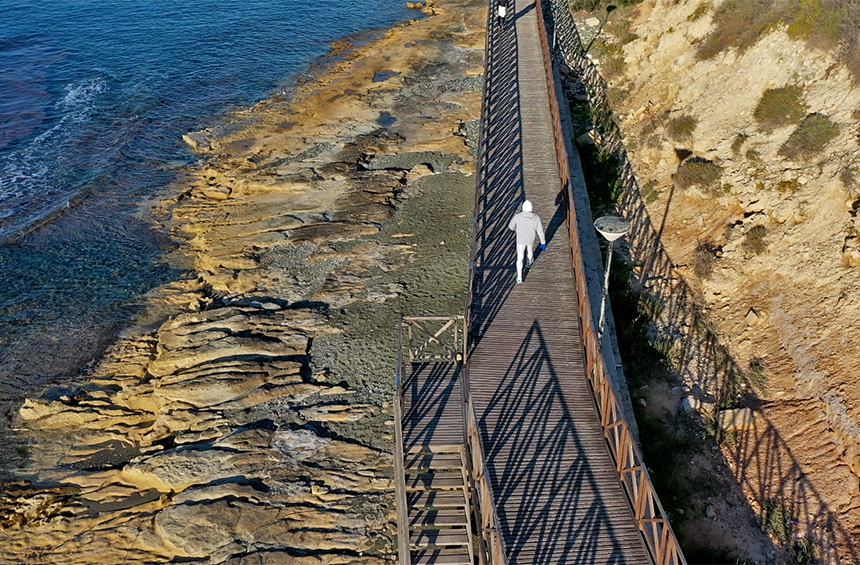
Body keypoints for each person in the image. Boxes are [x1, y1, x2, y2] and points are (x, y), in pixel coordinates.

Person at [508, 199, 546, 284]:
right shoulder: (536, 218)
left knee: (520, 257)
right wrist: (543, 242)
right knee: (530, 251)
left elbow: (511, 227)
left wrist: (516, 229)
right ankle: (529, 263)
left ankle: (520, 277)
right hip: (530, 239)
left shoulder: (517, 217)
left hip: (520, 240)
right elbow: (540, 232)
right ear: (531, 208)